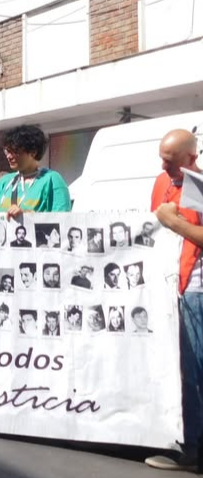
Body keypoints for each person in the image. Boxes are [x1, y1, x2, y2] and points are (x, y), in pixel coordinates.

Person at [149, 130, 203, 470]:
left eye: (169, 162)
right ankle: (185, 442)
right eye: (161, 159)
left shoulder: (199, 187)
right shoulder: (161, 182)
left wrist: (173, 222)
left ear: (191, 159)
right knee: (177, 370)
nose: (163, 167)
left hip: (196, 290)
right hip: (168, 288)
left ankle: (194, 451)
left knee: (195, 372)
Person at [0, 125, 71, 219]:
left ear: (33, 152)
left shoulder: (52, 179)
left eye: (14, 151)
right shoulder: (4, 181)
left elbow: (62, 220)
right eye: (7, 151)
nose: (9, 156)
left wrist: (28, 216)